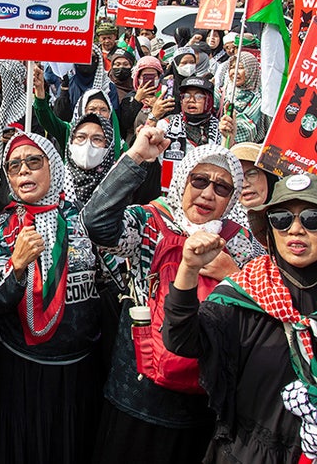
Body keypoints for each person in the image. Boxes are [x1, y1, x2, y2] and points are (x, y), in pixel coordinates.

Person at [82, 133, 263, 463]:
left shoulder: (240, 244)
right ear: (182, 180)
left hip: (200, 408)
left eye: (222, 187)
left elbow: (270, 310)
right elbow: (97, 223)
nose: (208, 193)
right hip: (135, 396)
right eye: (200, 180)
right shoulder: (150, 223)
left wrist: (235, 276)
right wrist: (137, 157)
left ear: (232, 199)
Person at [163, 172, 317, 463]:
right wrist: (188, 270)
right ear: (269, 229)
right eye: (282, 219)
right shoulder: (249, 289)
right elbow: (180, 339)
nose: (295, 229)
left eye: (312, 218)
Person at [0, 131, 101, 463]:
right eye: (14, 166)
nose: (24, 172)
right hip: (23, 373)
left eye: (34, 162)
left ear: (54, 166)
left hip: (77, 372)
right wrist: (16, 267)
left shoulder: (80, 218)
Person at [218, 51, 267, 144]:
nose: (235, 72)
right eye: (232, 68)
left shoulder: (263, 99)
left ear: (251, 70)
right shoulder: (223, 94)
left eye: (240, 68)